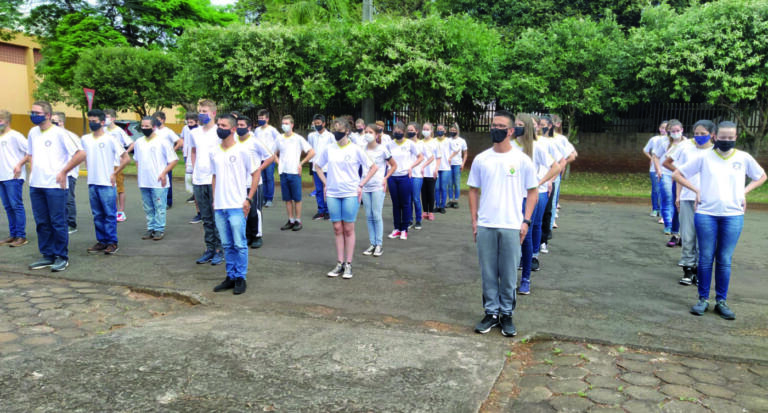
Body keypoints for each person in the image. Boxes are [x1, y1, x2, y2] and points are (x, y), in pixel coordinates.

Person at [673, 121, 766, 320]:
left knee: (724, 259)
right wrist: (696, 190)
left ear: (736, 137)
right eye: (723, 137)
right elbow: (677, 174)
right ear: (715, 136)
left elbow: (761, 176)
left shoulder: (743, 158)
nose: (726, 141)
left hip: (733, 215)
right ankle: (703, 299)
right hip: (706, 213)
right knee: (706, 257)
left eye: (730, 138)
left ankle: (721, 301)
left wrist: (744, 192)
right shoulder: (705, 157)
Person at [469, 110, 538, 337]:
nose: (494, 129)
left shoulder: (521, 160)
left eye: (499, 126)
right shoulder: (482, 159)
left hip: (511, 225)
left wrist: (526, 221)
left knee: (508, 274)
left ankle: (506, 314)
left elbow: (533, 192)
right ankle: (491, 313)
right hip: (487, 224)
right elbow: (473, 190)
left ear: (510, 131)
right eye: (492, 125)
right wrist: (475, 221)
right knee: (488, 272)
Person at [24, 101, 86, 272]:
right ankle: (47, 255)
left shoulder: (60, 133)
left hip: (55, 186)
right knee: (42, 222)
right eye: (32, 111)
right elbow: (30, 154)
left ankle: (61, 256)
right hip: (36, 185)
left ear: (48, 115)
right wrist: (33, 168)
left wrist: (64, 171)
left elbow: (81, 153)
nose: (33, 115)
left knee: (57, 222)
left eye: (37, 112)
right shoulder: (32, 132)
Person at [314, 119, 377, 278]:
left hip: (350, 193)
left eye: (340, 130)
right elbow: (318, 166)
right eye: (335, 129)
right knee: (337, 228)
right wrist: (326, 182)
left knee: (348, 228)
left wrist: (361, 184)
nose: (337, 132)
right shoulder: (329, 149)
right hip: (333, 193)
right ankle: (339, 263)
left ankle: (348, 264)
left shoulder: (356, 149)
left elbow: (373, 167)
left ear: (347, 131)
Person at [211, 115, 262, 295]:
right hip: (220, 206)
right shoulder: (214, 151)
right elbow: (215, 176)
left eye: (223, 125)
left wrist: (248, 199)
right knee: (227, 244)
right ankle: (230, 276)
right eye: (218, 125)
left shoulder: (242, 150)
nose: (219, 128)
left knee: (239, 244)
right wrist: (214, 200)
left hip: (237, 205)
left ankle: (241, 277)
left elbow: (256, 173)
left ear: (233, 129)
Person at [664, 120, 714, 286]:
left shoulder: (716, 151)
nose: (699, 137)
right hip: (687, 196)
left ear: (712, 134)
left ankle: (701, 270)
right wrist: (678, 195)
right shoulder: (685, 147)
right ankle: (688, 269)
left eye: (703, 134)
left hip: (708, 200)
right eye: (697, 133)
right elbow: (674, 168)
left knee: (704, 238)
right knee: (687, 235)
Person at [514, 113, 560, 294]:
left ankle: (526, 279)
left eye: (519, 124)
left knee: (525, 235)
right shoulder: (508, 146)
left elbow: (556, 166)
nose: (516, 127)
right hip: (512, 198)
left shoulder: (536, 147)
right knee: (510, 237)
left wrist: (539, 183)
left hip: (529, 198)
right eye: (514, 124)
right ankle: (509, 277)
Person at [81, 109, 130, 254]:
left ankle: (112, 242)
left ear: (102, 122)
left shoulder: (110, 139)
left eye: (94, 121)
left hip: (107, 183)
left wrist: (115, 173)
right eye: (89, 120)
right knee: (97, 214)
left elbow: (126, 158)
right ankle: (101, 241)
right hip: (92, 182)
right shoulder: (85, 139)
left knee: (109, 214)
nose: (91, 123)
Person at [189, 100, 224, 265]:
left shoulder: (219, 132)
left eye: (205, 111)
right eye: (200, 111)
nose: (201, 113)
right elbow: (194, 152)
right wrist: (195, 170)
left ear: (213, 113)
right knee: (206, 217)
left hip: (214, 181)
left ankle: (219, 249)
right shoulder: (194, 133)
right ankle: (209, 248)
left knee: (217, 216)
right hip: (199, 180)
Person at [133, 117, 179, 241]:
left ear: (154, 127)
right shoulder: (138, 142)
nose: (144, 129)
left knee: (159, 206)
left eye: (147, 126)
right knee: (148, 206)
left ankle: (159, 229)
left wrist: (164, 173)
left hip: (158, 181)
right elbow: (136, 160)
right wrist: (140, 172)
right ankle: (151, 227)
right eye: (142, 126)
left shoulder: (163, 141)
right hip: (144, 181)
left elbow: (173, 160)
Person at [236, 116, 275, 248]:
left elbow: (271, 157)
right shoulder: (234, 141)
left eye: (242, 125)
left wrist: (259, 169)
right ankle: (247, 235)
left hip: (254, 183)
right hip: (239, 183)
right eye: (238, 125)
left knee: (254, 211)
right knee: (243, 211)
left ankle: (257, 235)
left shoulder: (254, 141)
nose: (239, 128)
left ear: (249, 127)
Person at [361, 124, 397, 256]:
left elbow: (394, 165)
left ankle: (379, 244)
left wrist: (385, 178)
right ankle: (372, 243)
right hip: (365, 186)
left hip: (377, 186)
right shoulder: (361, 149)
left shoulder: (383, 150)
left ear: (377, 135)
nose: (367, 134)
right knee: (369, 216)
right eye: (366, 132)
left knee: (376, 215)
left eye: (370, 132)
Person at [275, 115, 315, 232]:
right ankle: (290, 220)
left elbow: (312, 152)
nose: (284, 125)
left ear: (292, 125)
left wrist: (301, 163)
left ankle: (298, 220)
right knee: (287, 198)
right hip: (283, 172)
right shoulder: (279, 138)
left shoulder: (298, 138)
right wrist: (279, 163)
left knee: (297, 198)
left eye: (287, 123)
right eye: (283, 123)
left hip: (294, 172)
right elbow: (272, 153)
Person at [653, 119, 687, 247]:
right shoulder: (664, 142)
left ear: (682, 130)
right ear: (669, 132)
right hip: (668, 174)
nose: (676, 133)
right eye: (673, 131)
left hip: (684, 176)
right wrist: (659, 170)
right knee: (670, 199)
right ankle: (670, 227)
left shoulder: (687, 143)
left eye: (678, 131)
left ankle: (684, 234)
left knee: (684, 204)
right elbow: (657, 157)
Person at [386, 122, 423, 240]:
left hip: (404, 177)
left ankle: (404, 229)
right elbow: (385, 158)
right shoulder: (389, 145)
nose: (397, 133)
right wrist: (389, 167)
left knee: (405, 203)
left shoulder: (409, 144)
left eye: (399, 131)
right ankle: (396, 228)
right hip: (392, 177)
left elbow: (420, 157)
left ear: (403, 132)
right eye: (395, 131)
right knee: (395, 204)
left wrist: (411, 167)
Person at [0, 109, 29, 247]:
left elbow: (30, 152)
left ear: (6, 121)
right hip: (2, 177)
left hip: (13, 177)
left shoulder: (15, 136)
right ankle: (13, 234)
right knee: (8, 207)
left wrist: (19, 165)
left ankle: (21, 236)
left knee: (16, 205)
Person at [52, 112, 81, 235]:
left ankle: (71, 224)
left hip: (69, 174)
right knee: (56, 199)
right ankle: (60, 222)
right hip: (56, 174)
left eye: (54, 120)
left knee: (68, 199)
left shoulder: (70, 136)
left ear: (61, 122)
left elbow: (78, 154)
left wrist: (68, 170)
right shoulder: (53, 136)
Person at [104, 109, 133, 223]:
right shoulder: (103, 130)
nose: (105, 119)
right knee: (110, 188)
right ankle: (113, 210)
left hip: (117, 164)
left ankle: (121, 211)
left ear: (113, 118)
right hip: (107, 164)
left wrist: (124, 155)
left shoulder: (119, 131)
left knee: (119, 188)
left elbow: (131, 143)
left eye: (107, 116)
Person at [151, 111, 183, 209]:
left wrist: (172, 151)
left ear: (163, 120)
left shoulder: (168, 131)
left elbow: (180, 142)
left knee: (167, 179)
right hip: (156, 159)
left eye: (158, 119)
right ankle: (157, 199)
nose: (156, 121)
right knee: (156, 179)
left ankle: (168, 201)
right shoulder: (154, 131)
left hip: (166, 160)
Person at [308, 114, 335, 220]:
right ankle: (321, 210)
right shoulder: (311, 136)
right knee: (319, 190)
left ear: (324, 123)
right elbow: (311, 149)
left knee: (328, 189)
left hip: (327, 167)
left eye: (319, 123)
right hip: (316, 167)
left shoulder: (330, 136)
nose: (317, 125)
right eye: (315, 124)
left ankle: (329, 210)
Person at [254, 109, 281, 208]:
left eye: (262, 118)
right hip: (259, 158)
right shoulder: (257, 130)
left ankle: (269, 198)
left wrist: (274, 154)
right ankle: (263, 198)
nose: (260, 120)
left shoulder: (272, 130)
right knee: (262, 178)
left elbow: (279, 141)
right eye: (259, 118)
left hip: (269, 158)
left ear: (267, 119)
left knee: (269, 178)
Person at [643, 121, 668, 220]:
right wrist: (651, 159)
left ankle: (663, 210)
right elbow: (646, 150)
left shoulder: (672, 141)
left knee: (664, 190)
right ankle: (655, 208)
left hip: (666, 169)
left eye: (666, 128)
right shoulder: (655, 139)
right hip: (654, 168)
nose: (664, 130)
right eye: (662, 127)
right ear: (659, 128)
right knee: (656, 189)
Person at [420, 124, 440, 221]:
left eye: (427, 129)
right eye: (424, 129)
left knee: (431, 191)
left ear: (431, 131)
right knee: (423, 192)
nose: (425, 131)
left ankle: (431, 212)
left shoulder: (435, 142)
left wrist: (436, 169)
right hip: (422, 172)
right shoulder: (420, 142)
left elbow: (438, 158)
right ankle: (425, 211)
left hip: (431, 171)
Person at [446, 123, 468, 209]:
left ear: (457, 131)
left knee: (457, 183)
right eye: (451, 130)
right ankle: (450, 200)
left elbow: (465, 154)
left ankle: (456, 201)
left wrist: (463, 163)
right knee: (450, 183)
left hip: (457, 164)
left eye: (454, 130)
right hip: (448, 165)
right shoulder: (447, 140)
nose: (452, 131)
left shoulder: (462, 141)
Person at [181, 112, 199, 210]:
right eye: (188, 122)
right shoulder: (185, 129)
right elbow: (183, 139)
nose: (189, 125)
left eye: (191, 122)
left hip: (196, 156)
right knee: (189, 177)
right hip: (187, 154)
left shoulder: (199, 131)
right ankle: (194, 194)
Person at [408, 122, 425, 230]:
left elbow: (429, 157)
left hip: (417, 174)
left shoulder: (421, 144)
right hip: (407, 174)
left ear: (417, 131)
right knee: (408, 199)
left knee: (415, 198)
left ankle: (418, 220)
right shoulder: (405, 143)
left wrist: (423, 167)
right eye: (408, 130)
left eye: (412, 130)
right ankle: (409, 220)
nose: (410, 132)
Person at [435, 126, 453, 213]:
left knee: (443, 187)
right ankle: (437, 205)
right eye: (438, 129)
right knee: (436, 188)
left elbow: (457, 150)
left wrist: (450, 158)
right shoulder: (434, 141)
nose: (439, 131)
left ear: (445, 131)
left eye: (441, 129)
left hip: (446, 167)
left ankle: (442, 206)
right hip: (436, 168)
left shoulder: (448, 141)